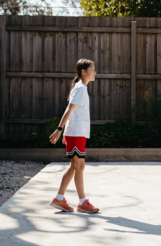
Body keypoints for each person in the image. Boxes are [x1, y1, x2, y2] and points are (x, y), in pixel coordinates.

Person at [48, 59, 99, 214]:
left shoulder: (80, 88)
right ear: (83, 72)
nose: (94, 71)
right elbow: (69, 110)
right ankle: (83, 202)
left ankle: (59, 198)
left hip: (76, 132)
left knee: (74, 166)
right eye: (92, 69)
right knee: (79, 166)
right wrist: (60, 129)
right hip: (76, 133)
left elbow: (73, 111)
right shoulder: (80, 89)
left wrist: (65, 131)